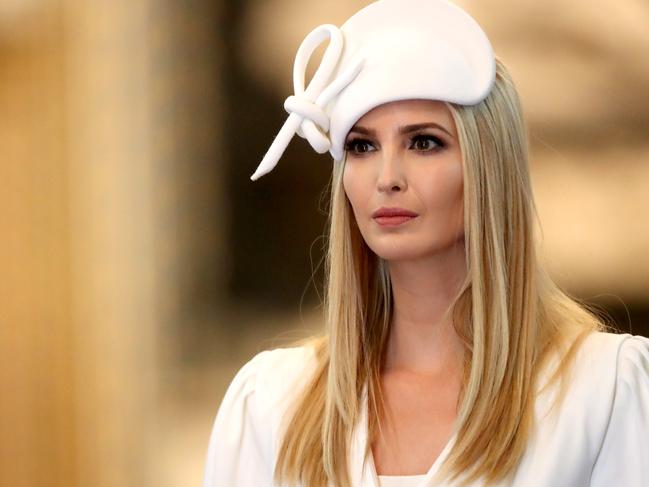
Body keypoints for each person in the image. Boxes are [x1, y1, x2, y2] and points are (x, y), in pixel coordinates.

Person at [203, 1, 649, 486]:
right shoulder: (273, 403)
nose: (387, 178)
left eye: (423, 143)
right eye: (362, 146)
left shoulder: (600, 391)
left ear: (487, 164)